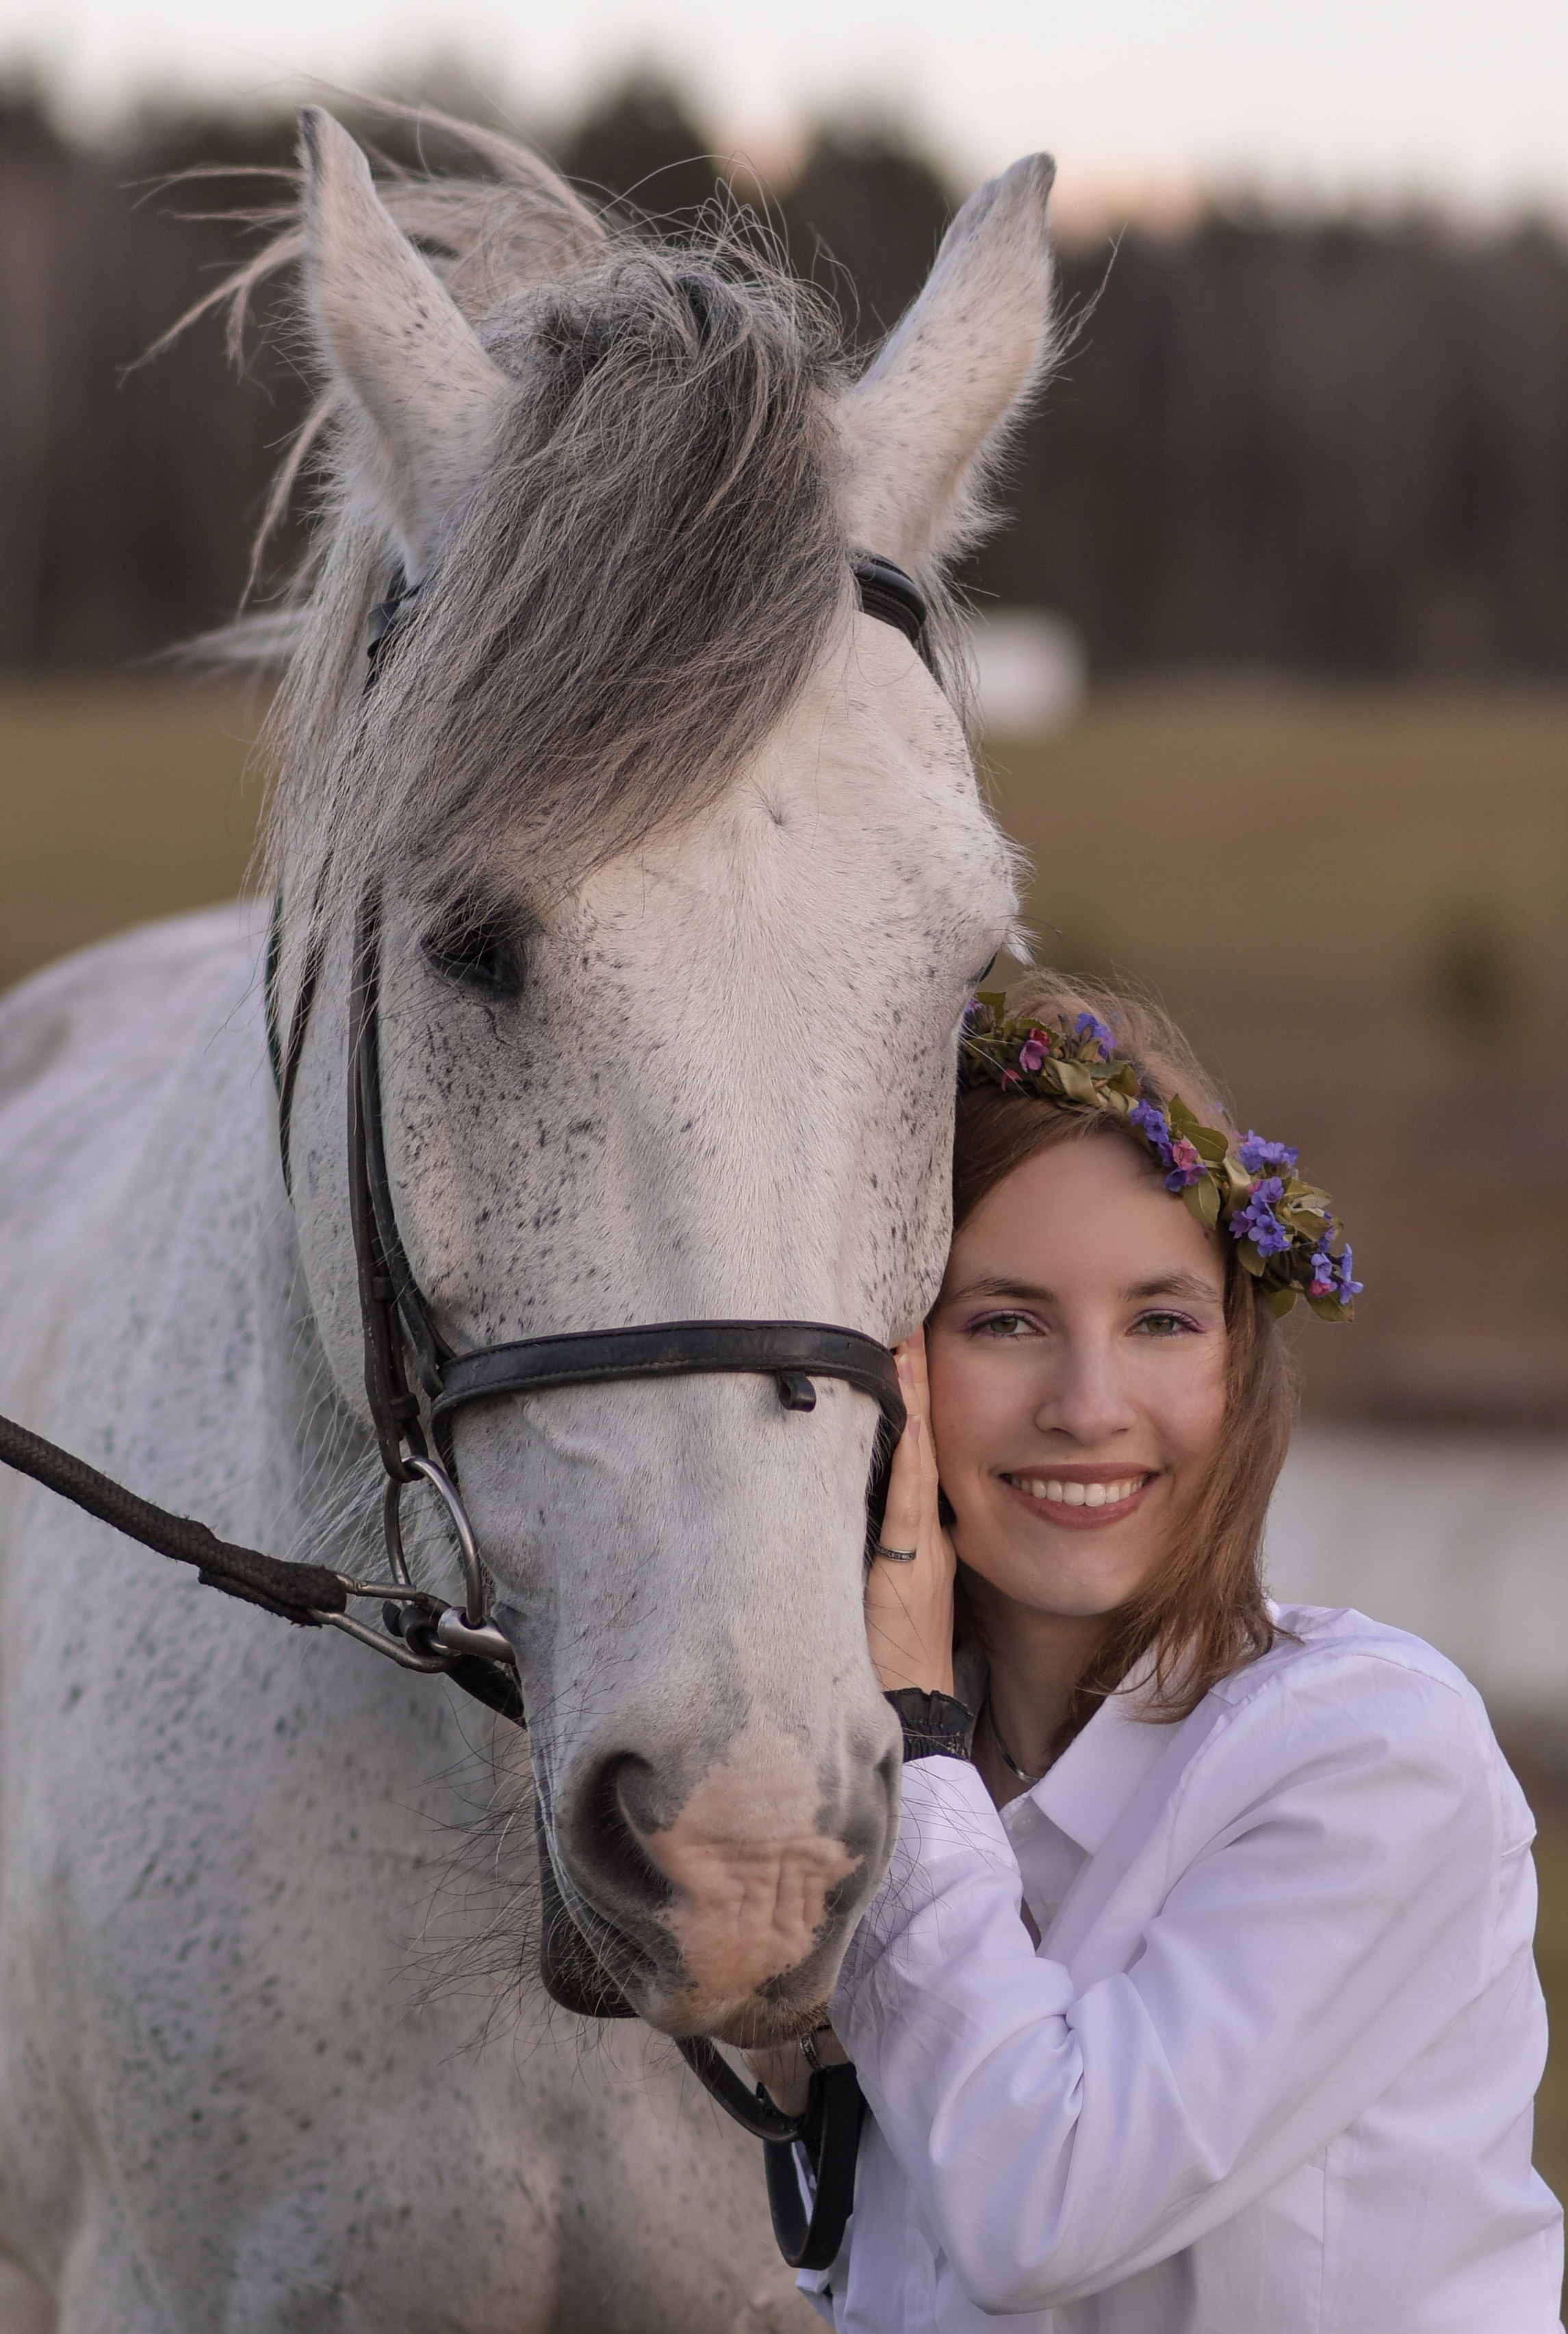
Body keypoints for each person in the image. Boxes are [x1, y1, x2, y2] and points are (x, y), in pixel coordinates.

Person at [762, 975, 1564, 2332]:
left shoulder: (1371, 1753)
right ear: (893, 1371)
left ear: (1238, 1366)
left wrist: (911, 1727)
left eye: (1162, 1321)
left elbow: (1035, 2200)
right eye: (1005, 1320)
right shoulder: (880, 1781)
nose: (1089, 1404)